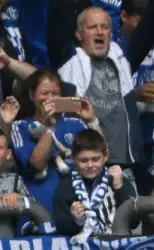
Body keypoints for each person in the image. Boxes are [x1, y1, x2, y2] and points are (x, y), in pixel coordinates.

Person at [58, 7, 143, 173]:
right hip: (86, 162)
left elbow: (148, 29)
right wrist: (75, 105)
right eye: (92, 27)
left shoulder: (122, 56)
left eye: (105, 27)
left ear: (111, 33)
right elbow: (57, 105)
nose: (99, 32)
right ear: (78, 34)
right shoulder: (67, 60)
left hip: (126, 161)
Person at [9, 69, 94, 231]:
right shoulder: (20, 126)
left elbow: (101, 156)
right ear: (32, 95)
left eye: (55, 93)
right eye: (44, 93)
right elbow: (37, 164)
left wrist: (91, 120)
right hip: (38, 213)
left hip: (75, 212)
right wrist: (49, 128)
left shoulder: (75, 124)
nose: (50, 98)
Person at [51, 128, 133, 237]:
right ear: (73, 158)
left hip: (117, 242)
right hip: (82, 245)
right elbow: (61, 228)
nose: (90, 165)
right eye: (83, 160)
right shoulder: (65, 187)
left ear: (105, 156)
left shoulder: (117, 180)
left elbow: (134, 223)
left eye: (95, 159)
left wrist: (120, 189)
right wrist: (76, 221)